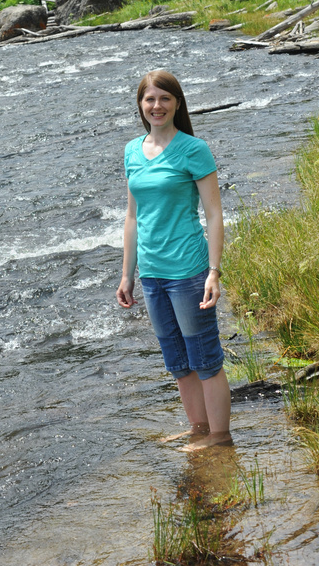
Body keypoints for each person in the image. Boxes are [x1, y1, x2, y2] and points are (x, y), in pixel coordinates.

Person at [116, 69, 232, 450]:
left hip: (188, 269)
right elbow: (132, 217)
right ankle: (199, 429)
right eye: (150, 99)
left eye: (165, 98)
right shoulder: (133, 151)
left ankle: (219, 436)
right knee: (178, 361)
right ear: (140, 106)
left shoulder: (193, 150)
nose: (157, 105)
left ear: (177, 103)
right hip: (152, 274)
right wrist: (126, 275)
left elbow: (214, 214)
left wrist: (214, 271)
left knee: (205, 358)